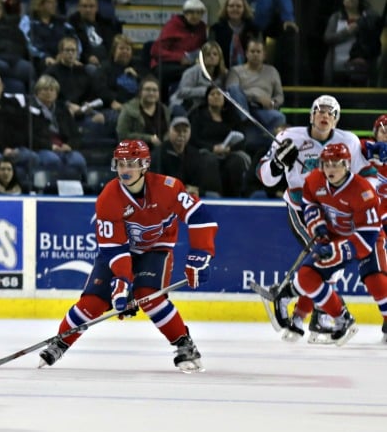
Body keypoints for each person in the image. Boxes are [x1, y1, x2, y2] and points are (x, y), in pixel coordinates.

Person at [38, 139, 216, 372]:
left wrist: (201, 253)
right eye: (121, 164)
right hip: (119, 252)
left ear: (144, 165)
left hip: (156, 248)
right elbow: (114, 248)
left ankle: (184, 344)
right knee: (92, 302)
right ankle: (61, 341)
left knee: (148, 296)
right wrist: (123, 281)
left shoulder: (168, 188)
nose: (125, 169)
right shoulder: (108, 198)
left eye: (131, 163)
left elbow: (200, 216)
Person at [257, 95, 373, 341]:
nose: (325, 115)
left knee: (328, 264)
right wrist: (278, 163)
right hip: (303, 208)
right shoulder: (289, 137)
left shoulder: (348, 141)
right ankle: (316, 317)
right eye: (319, 110)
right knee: (326, 258)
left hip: (333, 211)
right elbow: (266, 177)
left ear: (336, 119)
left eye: (331, 112)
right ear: (311, 115)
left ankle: (297, 312)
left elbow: (365, 174)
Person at [292, 142, 387, 345]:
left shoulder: (364, 190)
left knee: (376, 280)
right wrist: (317, 225)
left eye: (336, 163)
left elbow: (368, 234)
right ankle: (337, 317)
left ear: (346, 165)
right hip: (334, 236)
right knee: (307, 276)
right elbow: (309, 204)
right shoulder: (314, 179)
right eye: (326, 164)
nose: (331, 168)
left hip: (366, 237)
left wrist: (337, 250)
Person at [224, 38, 286, 153]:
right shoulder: (236, 71)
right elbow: (230, 92)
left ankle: (264, 140)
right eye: (252, 52)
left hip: (263, 110)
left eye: (258, 52)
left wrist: (272, 103)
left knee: (279, 117)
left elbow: (279, 96)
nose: (255, 55)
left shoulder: (272, 71)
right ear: (247, 53)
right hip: (242, 107)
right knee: (234, 89)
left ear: (264, 54)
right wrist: (254, 97)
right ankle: (246, 121)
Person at [189, 86, 251, 198]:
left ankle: (235, 198)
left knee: (236, 162)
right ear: (207, 98)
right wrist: (212, 148)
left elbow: (242, 138)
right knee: (210, 161)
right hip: (206, 151)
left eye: (219, 94)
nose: (216, 96)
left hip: (228, 152)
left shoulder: (232, 116)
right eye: (212, 94)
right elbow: (193, 139)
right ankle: (215, 197)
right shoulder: (198, 115)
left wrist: (229, 149)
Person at [149, 0, 208, 103]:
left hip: (190, 63)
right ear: (185, 14)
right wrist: (179, 58)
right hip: (167, 63)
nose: (195, 16)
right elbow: (155, 50)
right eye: (191, 12)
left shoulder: (201, 27)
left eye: (199, 13)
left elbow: (203, 46)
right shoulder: (173, 25)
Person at [322, 0, 383, 87]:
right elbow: (327, 38)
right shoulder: (336, 17)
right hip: (338, 67)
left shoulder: (367, 17)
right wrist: (347, 32)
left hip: (361, 68)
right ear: (342, 0)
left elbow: (376, 32)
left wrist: (361, 25)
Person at [150, 116, 222, 197]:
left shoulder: (194, 154)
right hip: (167, 195)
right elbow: (156, 183)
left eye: (185, 131)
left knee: (214, 196)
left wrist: (196, 190)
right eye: (177, 130)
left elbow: (199, 182)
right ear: (169, 132)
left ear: (190, 132)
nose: (181, 134)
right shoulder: (158, 154)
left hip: (188, 196)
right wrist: (181, 189)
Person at [169, 40, 228, 116]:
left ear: (220, 58)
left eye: (215, 54)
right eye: (208, 54)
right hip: (183, 104)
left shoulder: (224, 73)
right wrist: (205, 91)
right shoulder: (192, 71)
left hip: (205, 107)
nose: (212, 57)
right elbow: (182, 92)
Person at [208, 0, 260, 69]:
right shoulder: (216, 29)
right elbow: (209, 53)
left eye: (238, 6)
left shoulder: (254, 29)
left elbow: (259, 52)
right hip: (221, 72)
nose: (235, 9)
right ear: (226, 8)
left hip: (249, 73)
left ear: (244, 9)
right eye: (231, 6)